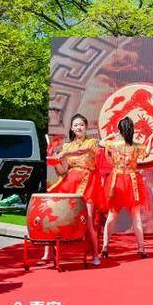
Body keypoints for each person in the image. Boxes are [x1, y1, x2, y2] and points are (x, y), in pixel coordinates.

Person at [47, 113, 105, 266]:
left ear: (86, 127)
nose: (79, 127)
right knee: (55, 214)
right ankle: (49, 252)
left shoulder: (92, 142)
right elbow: (62, 171)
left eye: (81, 125)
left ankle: (95, 255)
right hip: (70, 182)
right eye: (76, 125)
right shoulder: (67, 146)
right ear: (72, 128)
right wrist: (55, 161)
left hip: (88, 183)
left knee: (88, 220)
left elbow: (83, 151)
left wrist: (65, 154)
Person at [99, 117, 153, 259]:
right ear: (132, 129)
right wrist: (151, 138)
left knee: (112, 215)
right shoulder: (136, 146)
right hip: (132, 181)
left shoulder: (113, 144)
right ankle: (141, 248)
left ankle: (105, 247)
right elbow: (147, 152)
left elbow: (100, 143)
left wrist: (110, 136)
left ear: (120, 129)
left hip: (116, 180)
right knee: (136, 216)